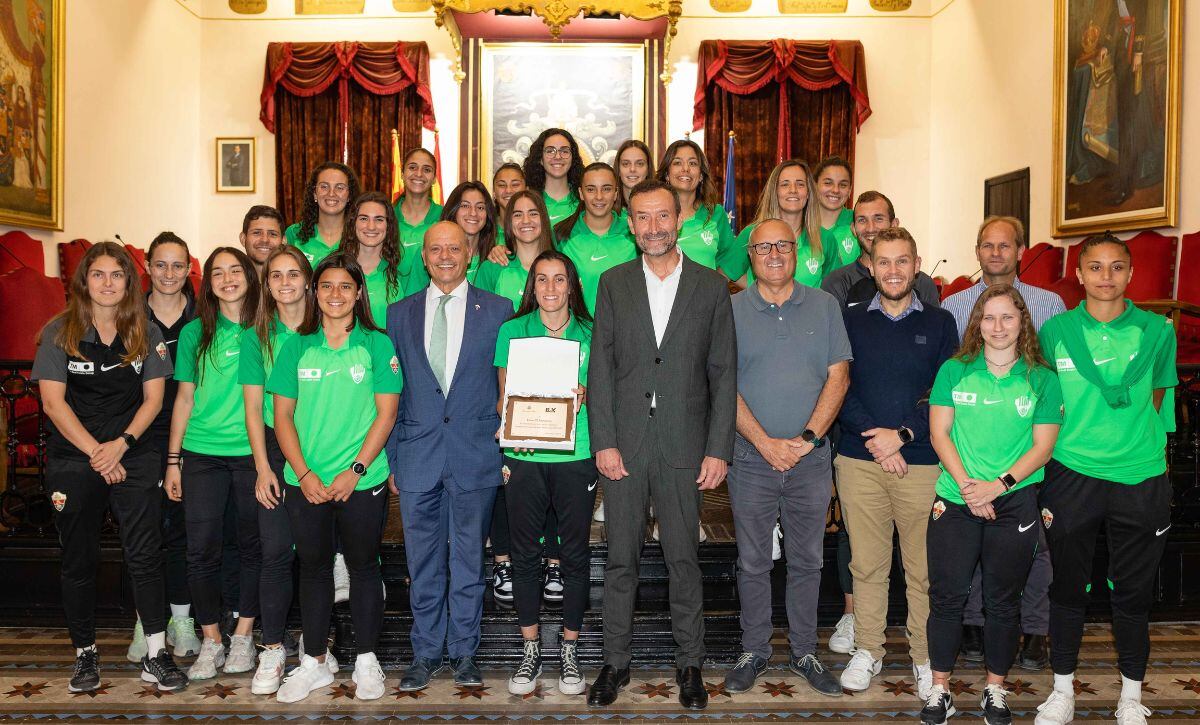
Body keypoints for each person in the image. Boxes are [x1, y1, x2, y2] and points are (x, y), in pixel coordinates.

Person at [586, 179, 736, 711]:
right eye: (643, 218)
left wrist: (718, 448)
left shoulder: (712, 286)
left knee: (684, 562)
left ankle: (690, 665)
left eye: (663, 217)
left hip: (685, 447)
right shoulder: (612, 283)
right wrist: (603, 440)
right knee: (620, 561)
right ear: (630, 223)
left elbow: (723, 373)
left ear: (679, 220)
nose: (653, 227)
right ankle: (615, 664)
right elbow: (600, 369)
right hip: (623, 448)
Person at [1033, 233, 1178, 725]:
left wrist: (1127, 440)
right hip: (1071, 473)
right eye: (1095, 267)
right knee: (1068, 589)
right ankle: (1062, 690)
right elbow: (1046, 404)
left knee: (1134, 593)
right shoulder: (1055, 331)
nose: (1106, 278)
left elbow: (1159, 397)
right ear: (1079, 274)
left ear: (1131, 274)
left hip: (1140, 477)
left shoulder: (1158, 330)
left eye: (1117, 268)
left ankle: (1132, 694)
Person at [32, 242, 189, 693]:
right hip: (74, 456)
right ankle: (85, 655)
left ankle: (156, 654)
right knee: (78, 559)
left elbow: (155, 399)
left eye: (116, 275)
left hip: (133, 453)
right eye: (97, 274)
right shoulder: (59, 332)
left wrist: (119, 446)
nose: (106, 283)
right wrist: (97, 454)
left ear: (128, 282)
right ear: (84, 281)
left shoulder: (147, 332)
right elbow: (53, 403)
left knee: (145, 554)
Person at [921, 284, 1063, 725]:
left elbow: (1043, 448)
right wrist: (969, 487)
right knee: (946, 599)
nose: (998, 327)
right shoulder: (954, 370)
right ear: (977, 324)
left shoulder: (1042, 377)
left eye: (1008, 317)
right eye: (989, 318)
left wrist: (997, 487)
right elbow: (939, 434)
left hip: (1014, 502)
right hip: (956, 499)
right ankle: (940, 689)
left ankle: (995, 689)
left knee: (1003, 603)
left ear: (1023, 323)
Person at [722, 219, 850, 697]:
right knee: (752, 561)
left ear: (795, 251)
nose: (774, 254)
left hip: (810, 459)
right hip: (751, 458)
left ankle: (804, 651)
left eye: (783, 245)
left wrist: (807, 439)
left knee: (808, 561)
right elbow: (723, 384)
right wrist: (765, 443)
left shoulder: (824, 304)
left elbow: (838, 376)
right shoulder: (730, 309)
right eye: (763, 247)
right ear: (749, 255)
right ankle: (754, 648)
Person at [267, 254, 401, 703]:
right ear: (314, 292)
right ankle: (313, 663)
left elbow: (387, 413)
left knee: (364, 567)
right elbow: (281, 416)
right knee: (315, 569)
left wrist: (356, 470)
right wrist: (304, 473)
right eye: (327, 286)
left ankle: (366, 660)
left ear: (359, 293)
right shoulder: (295, 347)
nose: (336, 294)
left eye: (346, 286)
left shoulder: (377, 345)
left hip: (362, 480)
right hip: (306, 482)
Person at [385, 221, 512, 691]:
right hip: (417, 456)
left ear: (469, 252)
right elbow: (390, 394)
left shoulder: (499, 310)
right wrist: (394, 458)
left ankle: (464, 652)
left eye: (453, 248)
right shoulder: (397, 314)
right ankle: (424, 653)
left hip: (475, 454)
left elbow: (509, 383)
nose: (444, 256)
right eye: (435, 249)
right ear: (424, 257)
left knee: (468, 563)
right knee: (422, 564)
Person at [835, 228, 957, 699]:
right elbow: (838, 386)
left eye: (902, 261)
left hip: (924, 462)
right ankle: (869, 648)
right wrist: (878, 441)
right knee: (866, 565)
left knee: (922, 568)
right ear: (870, 265)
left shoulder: (943, 322)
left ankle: (925, 658)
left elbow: (943, 394)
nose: (892, 270)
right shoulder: (847, 320)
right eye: (883, 262)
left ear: (917, 264)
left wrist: (902, 435)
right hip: (859, 459)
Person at [942, 216, 1066, 671]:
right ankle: (976, 623)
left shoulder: (1049, 303)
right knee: (975, 541)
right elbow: (950, 377)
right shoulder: (953, 306)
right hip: (974, 447)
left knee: (1035, 547)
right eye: (987, 246)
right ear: (977, 251)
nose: (995, 253)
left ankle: (1034, 631)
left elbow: (1051, 375)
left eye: (1005, 245)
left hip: (1031, 446)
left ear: (1019, 250)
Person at [498, 250, 596, 697]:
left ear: (572, 286)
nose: (551, 289)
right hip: (526, 455)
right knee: (524, 556)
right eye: (542, 280)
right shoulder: (512, 332)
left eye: (560, 280)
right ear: (531, 286)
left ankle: (570, 650)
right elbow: (504, 400)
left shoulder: (593, 333)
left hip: (577, 456)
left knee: (574, 555)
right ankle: (531, 648)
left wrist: (585, 393)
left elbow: (607, 392)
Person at [163, 247, 262, 681]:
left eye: (235, 270)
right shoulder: (193, 334)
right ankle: (211, 640)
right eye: (217, 273)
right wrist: (173, 461)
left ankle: (243, 635)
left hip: (252, 454)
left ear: (249, 276)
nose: (227, 279)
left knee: (251, 546)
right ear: (208, 282)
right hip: (202, 454)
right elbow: (183, 399)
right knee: (201, 550)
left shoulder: (268, 327)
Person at [238, 245, 330, 695]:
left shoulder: (327, 325)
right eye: (277, 276)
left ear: (308, 280)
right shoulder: (255, 337)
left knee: (319, 555)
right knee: (275, 550)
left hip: (325, 448)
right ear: (267, 284)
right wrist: (262, 467)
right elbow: (254, 409)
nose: (287, 283)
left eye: (295, 274)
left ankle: (319, 647)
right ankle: (272, 648)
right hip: (276, 450)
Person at [475, 189, 562, 606]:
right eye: (517, 214)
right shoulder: (495, 266)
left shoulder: (561, 265)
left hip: (555, 391)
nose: (526, 220)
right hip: (501, 381)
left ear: (544, 218)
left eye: (533, 213)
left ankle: (552, 559)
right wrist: (500, 396)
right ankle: (505, 558)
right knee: (506, 478)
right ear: (507, 223)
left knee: (552, 469)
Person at [126, 233, 201, 663]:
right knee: (145, 535)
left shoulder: (200, 319)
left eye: (178, 265)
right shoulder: (128, 319)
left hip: (189, 438)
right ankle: (146, 620)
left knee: (183, 534)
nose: (169, 274)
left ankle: (182, 618)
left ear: (189, 270)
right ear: (148, 269)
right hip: (141, 438)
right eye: (160, 265)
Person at [820, 190, 941, 308]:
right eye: (862, 220)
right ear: (853, 229)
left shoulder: (922, 283)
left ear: (894, 224)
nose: (870, 228)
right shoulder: (836, 283)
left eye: (878, 218)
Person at [555, 162, 637, 315]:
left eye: (606, 189)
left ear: (616, 193)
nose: (599, 197)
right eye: (591, 189)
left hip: (625, 332)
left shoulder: (633, 231)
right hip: (579, 332)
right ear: (581, 193)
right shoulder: (562, 234)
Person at [656, 139, 741, 282]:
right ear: (667, 174)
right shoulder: (653, 214)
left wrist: (712, 289)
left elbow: (728, 260)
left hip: (704, 302)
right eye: (677, 163)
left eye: (693, 163)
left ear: (701, 175)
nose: (685, 169)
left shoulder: (716, 214)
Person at [734, 160, 826, 289]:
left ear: (808, 192)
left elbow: (834, 285)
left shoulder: (825, 238)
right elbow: (725, 273)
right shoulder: (752, 233)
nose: (793, 190)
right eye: (785, 184)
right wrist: (754, 289)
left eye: (800, 184)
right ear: (774, 192)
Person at [339, 191, 403, 327]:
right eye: (363, 218)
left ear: (388, 225)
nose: (371, 226)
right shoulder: (334, 266)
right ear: (353, 222)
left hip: (387, 348)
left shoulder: (401, 270)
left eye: (379, 219)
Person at [284, 162, 361, 267]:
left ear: (349, 196)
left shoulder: (360, 235)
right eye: (324, 186)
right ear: (314, 193)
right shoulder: (294, 233)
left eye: (340, 187)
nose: (331, 193)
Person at [393, 148, 442, 297]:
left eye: (426, 169)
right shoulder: (385, 217)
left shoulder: (446, 217)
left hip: (431, 305)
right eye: (412, 167)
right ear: (402, 174)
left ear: (434, 178)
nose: (419, 174)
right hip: (390, 305)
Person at [439, 181, 499, 284]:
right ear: (453, 210)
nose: (473, 213)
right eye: (465, 206)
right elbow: (415, 299)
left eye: (480, 207)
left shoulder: (495, 258)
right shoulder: (433, 254)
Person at [522, 127, 584, 226]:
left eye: (564, 151)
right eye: (550, 151)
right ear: (540, 159)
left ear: (573, 158)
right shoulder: (527, 200)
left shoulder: (584, 200)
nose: (558, 156)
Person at [812, 156, 859, 269]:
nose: (835, 190)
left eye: (843, 185)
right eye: (828, 183)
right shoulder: (800, 224)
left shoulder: (859, 222)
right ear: (814, 186)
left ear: (850, 190)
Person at [239, 205, 285, 274]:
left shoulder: (295, 282)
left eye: (273, 234)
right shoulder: (230, 282)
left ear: (283, 241)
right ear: (243, 239)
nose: (265, 240)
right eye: (257, 233)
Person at [492, 162, 526, 249]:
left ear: (527, 190)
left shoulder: (536, 227)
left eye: (515, 184)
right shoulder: (486, 230)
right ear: (494, 193)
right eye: (502, 185)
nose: (508, 190)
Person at [614, 139, 653, 210]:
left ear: (648, 169)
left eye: (640, 164)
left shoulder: (661, 208)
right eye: (626, 164)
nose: (632, 169)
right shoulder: (608, 212)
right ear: (618, 169)